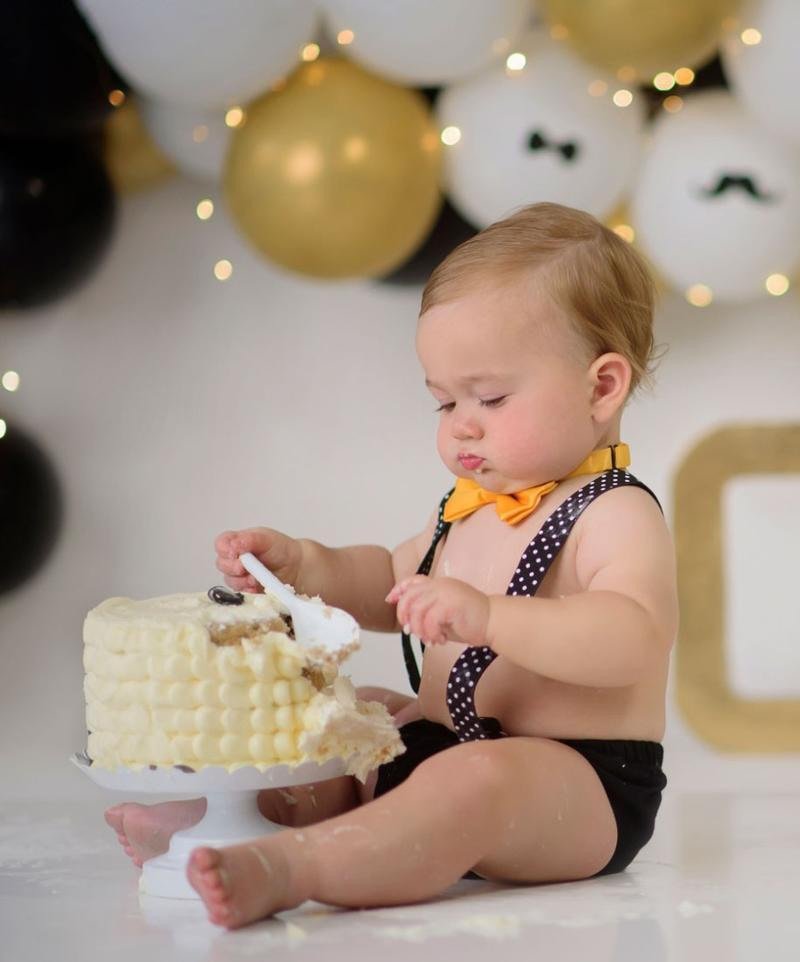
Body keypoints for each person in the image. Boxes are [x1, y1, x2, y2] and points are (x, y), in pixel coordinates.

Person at [103, 202, 676, 929]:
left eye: (492, 397)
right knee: (353, 710)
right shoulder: (468, 506)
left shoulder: (613, 512)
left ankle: (291, 866)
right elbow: (385, 581)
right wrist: (307, 565)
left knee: (479, 780)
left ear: (601, 387)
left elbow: (632, 637)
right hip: (441, 747)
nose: (462, 423)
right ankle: (229, 817)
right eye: (443, 403)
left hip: (575, 784)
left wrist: (491, 617)